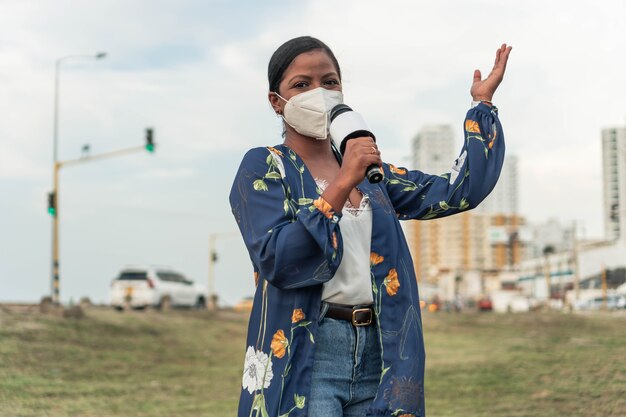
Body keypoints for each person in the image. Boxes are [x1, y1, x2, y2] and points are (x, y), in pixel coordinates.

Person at [229, 36, 511, 417]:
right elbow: (277, 258)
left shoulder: (373, 176)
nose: (320, 92)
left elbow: (460, 191)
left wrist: (483, 105)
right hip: (309, 353)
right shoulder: (265, 167)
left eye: (329, 82)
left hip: (381, 354)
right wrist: (342, 182)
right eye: (301, 84)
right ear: (276, 102)